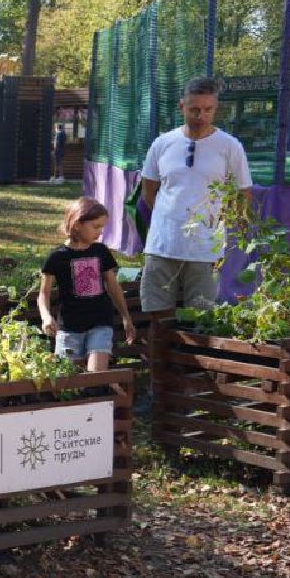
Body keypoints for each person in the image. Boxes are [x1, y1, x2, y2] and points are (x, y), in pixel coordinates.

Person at [137, 77, 254, 316]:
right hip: (162, 245)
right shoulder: (162, 143)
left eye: (208, 109)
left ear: (216, 109)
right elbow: (149, 191)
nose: (201, 115)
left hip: (205, 247)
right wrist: (170, 217)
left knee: (200, 317)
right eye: (195, 109)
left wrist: (221, 224)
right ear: (182, 107)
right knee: (157, 314)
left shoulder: (230, 146)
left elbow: (243, 194)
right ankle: (158, 354)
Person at [38, 197, 137, 372]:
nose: (100, 232)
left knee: (96, 376)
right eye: (96, 226)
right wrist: (46, 316)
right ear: (77, 224)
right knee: (68, 382)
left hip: (100, 323)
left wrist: (126, 317)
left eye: (102, 227)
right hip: (69, 328)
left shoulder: (101, 251)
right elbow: (44, 293)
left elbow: (113, 287)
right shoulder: (57, 257)